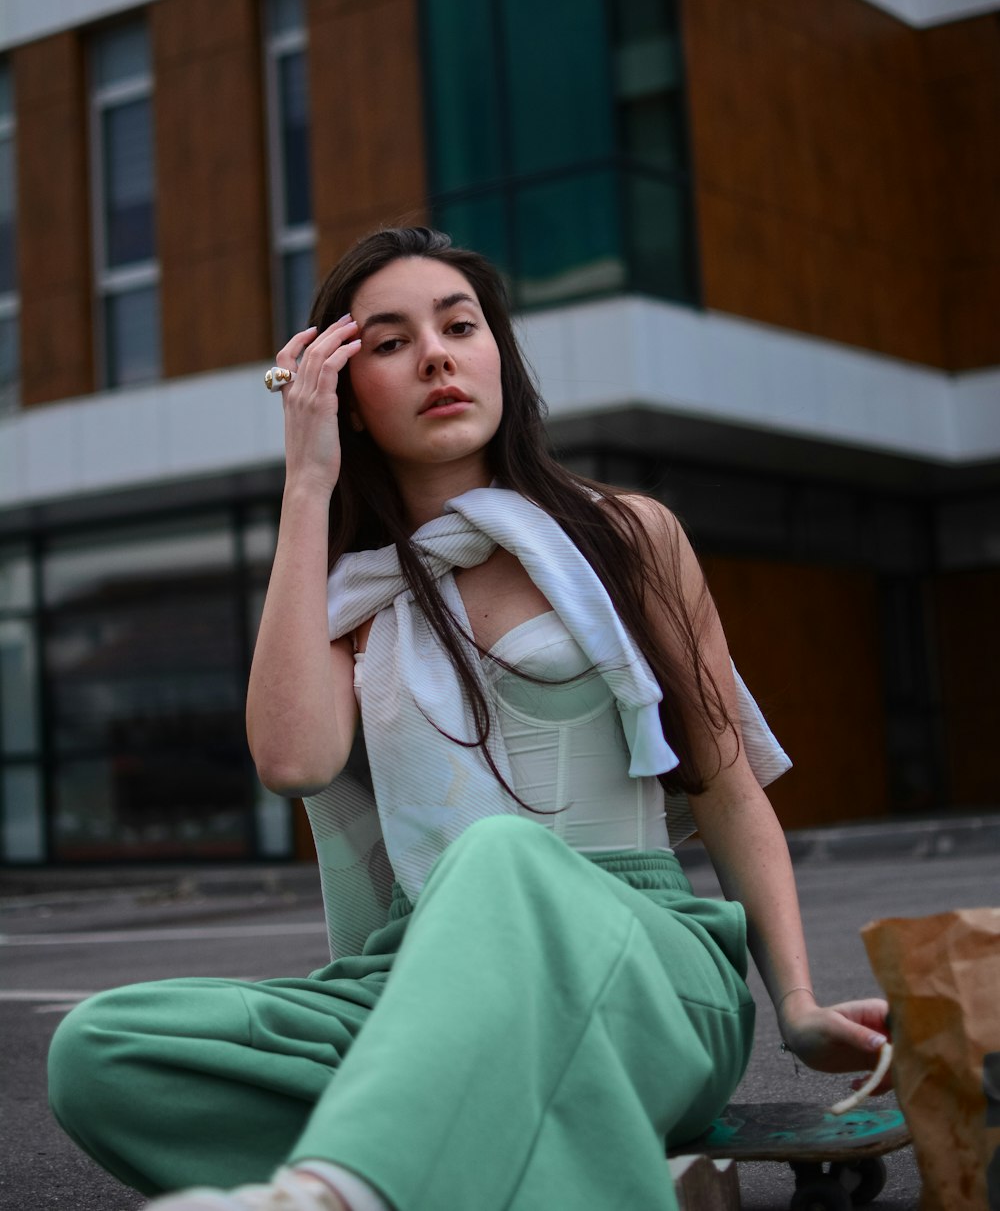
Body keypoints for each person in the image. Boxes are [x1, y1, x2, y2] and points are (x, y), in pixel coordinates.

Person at [48, 226, 890, 1211]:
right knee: (101, 1050)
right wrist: (306, 482)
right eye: (391, 342)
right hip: (417, 976)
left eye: (459, 325)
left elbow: (723, 781)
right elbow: (292, 761)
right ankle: (494, 1155)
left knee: (498, 857)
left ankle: (331, 1191)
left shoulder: (623, 535)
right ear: (344, 395)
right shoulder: (345, 594)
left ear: (500, 355)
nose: (438, 354)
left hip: (644, 967)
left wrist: (792, 1003)